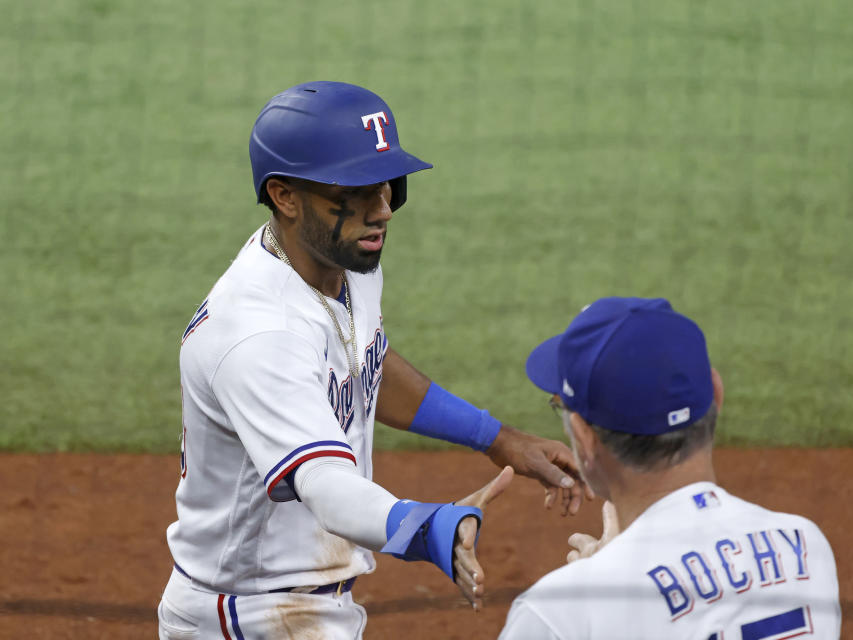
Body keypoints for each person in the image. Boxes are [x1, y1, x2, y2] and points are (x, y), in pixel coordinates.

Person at [158, 81, 588, 640]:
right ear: (285, 197)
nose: (382, 208)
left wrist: (498, 438)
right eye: (356, 189)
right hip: (253, 615)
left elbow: (365, 368)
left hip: (298, 604)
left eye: (387, 185)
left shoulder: (337, 261)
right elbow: (323, 483)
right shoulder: (261, 334)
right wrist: (426, 527)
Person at [499, 297, 841, 639]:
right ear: (717, 396)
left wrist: (599, 582)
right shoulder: (806, 547)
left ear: (584, 438)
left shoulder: (555, 614)